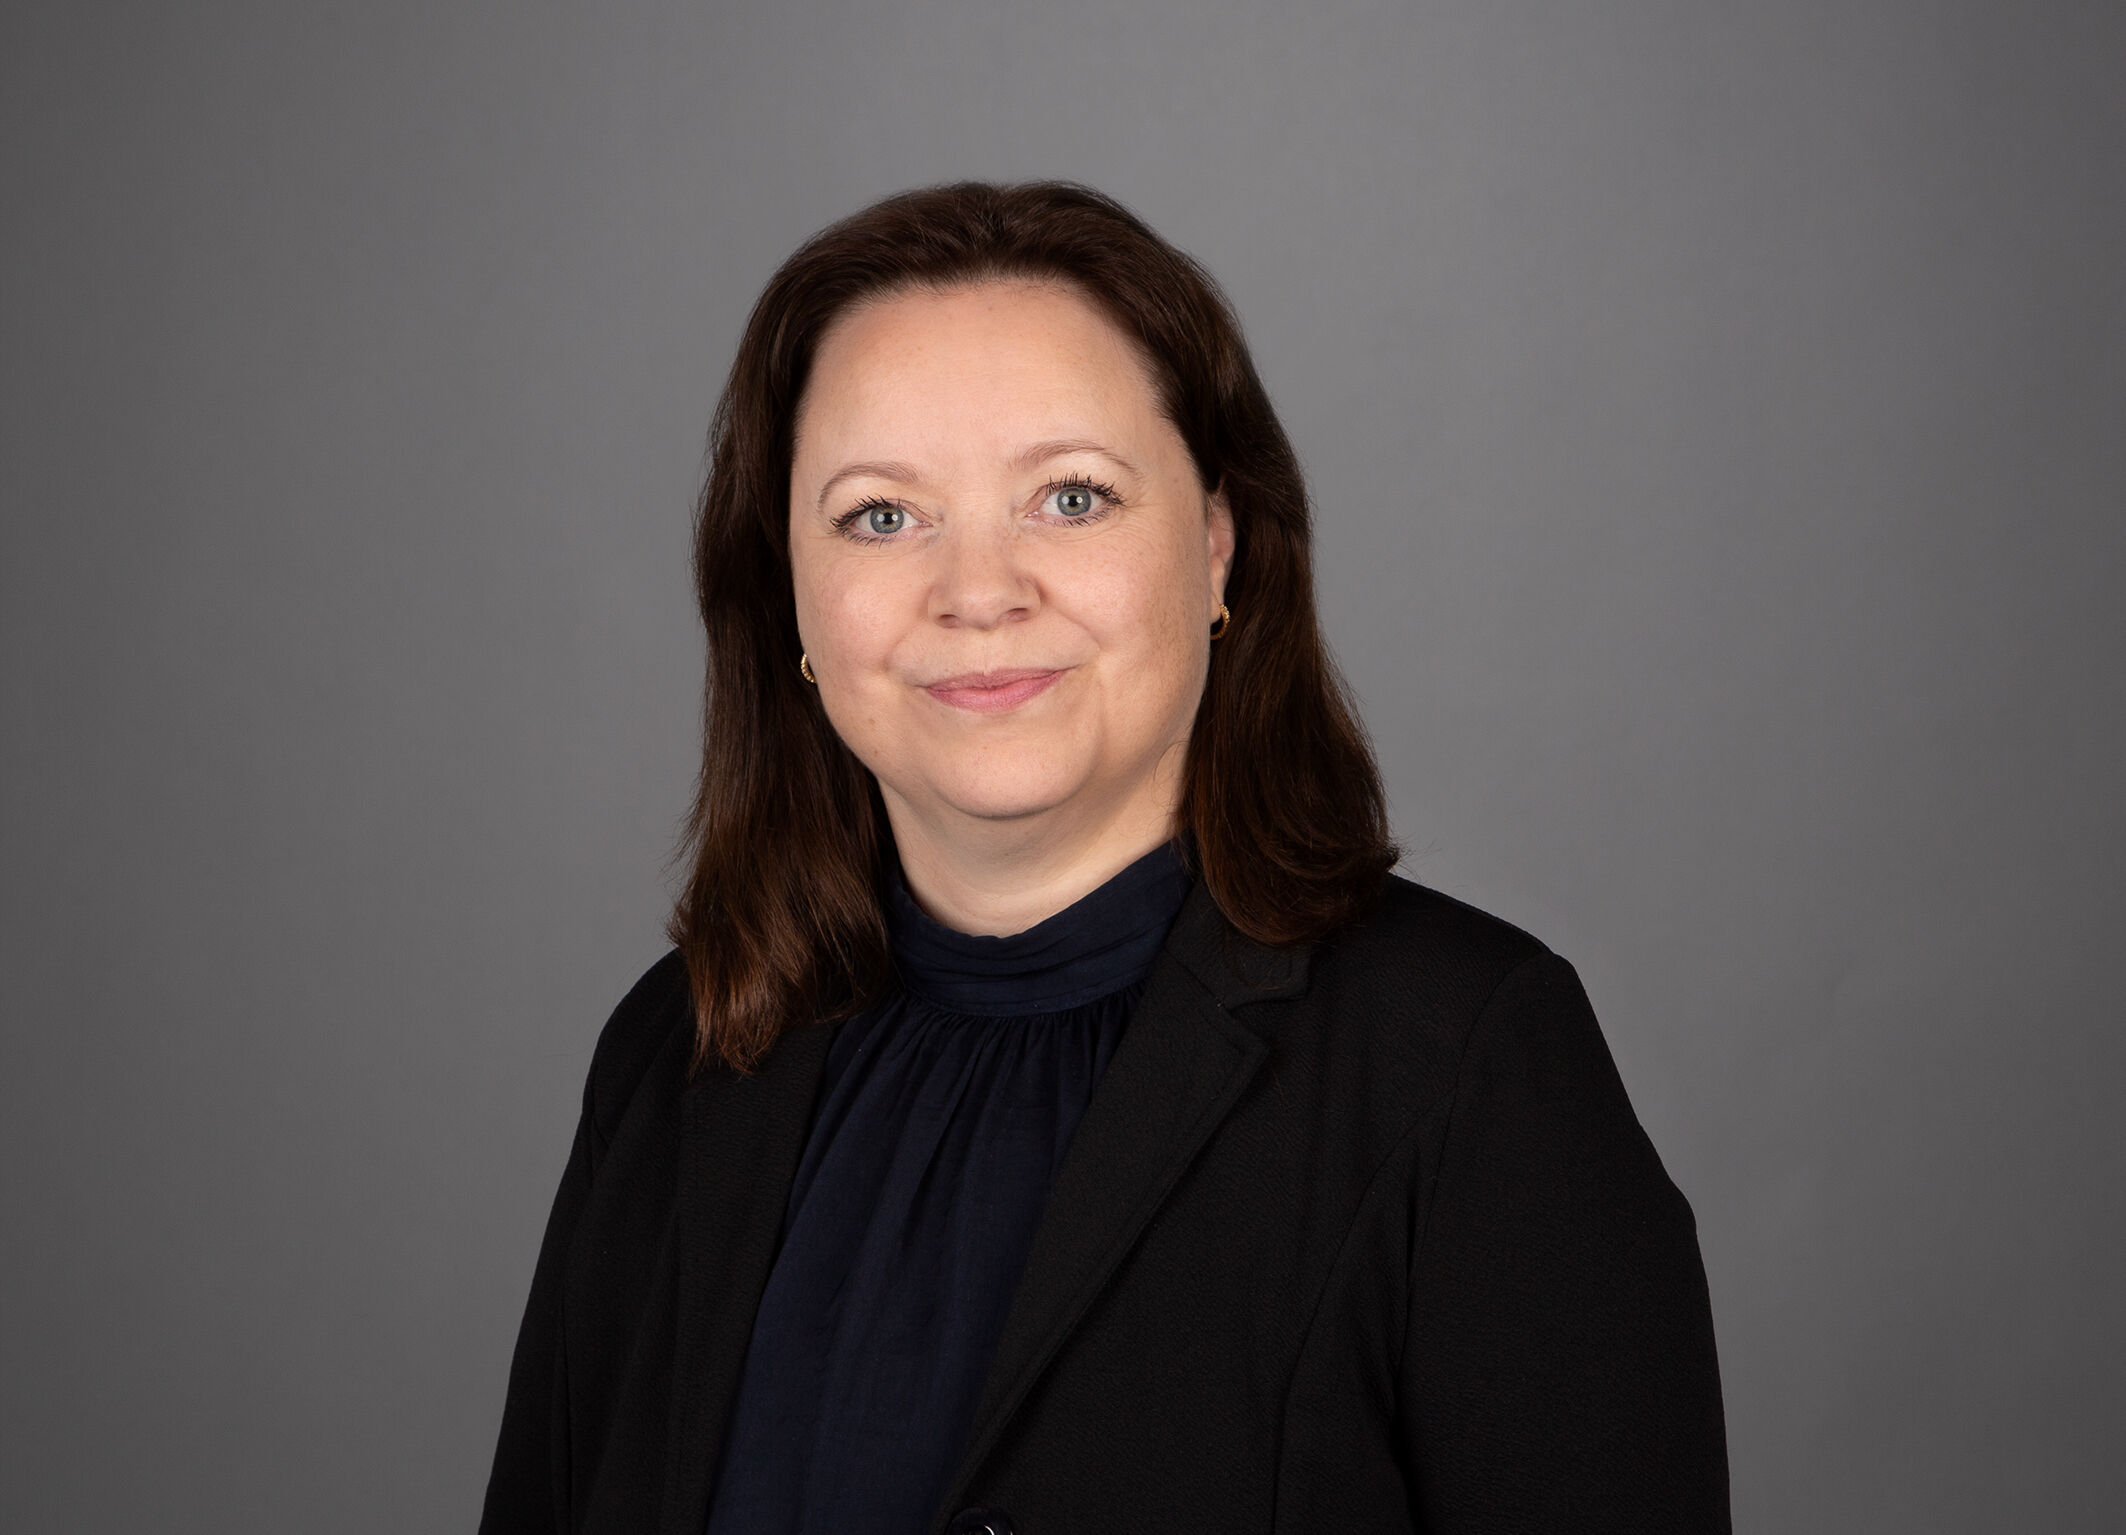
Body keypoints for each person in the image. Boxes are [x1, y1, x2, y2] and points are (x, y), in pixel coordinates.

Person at [478, 181, 1730, 1535]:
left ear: (1216, 549)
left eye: (1071, 498)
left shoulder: (1463, 1064)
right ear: (785, 590)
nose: (978, 591)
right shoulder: (674, 1059)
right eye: (881, 516)